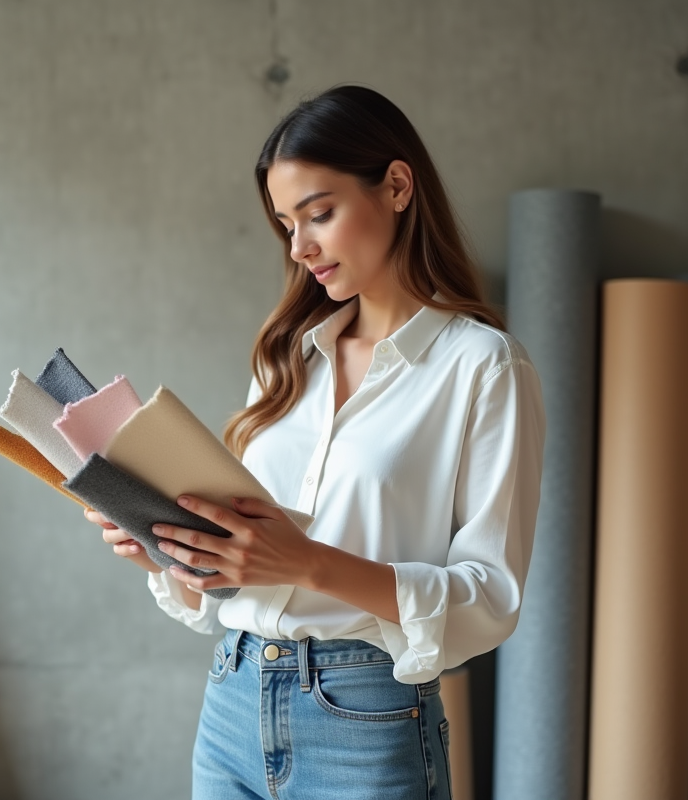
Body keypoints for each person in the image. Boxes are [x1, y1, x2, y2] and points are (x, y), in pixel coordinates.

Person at [84, 84, 546, 800]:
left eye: (318, 214)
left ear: (396, 186)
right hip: (232, 702)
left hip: (365, 718)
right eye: (284, 225)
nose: (299, 247)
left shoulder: (483, 365)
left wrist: (307, 563)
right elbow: (239, 569)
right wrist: (164, 542)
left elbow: (488, 600)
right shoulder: (289, 358)